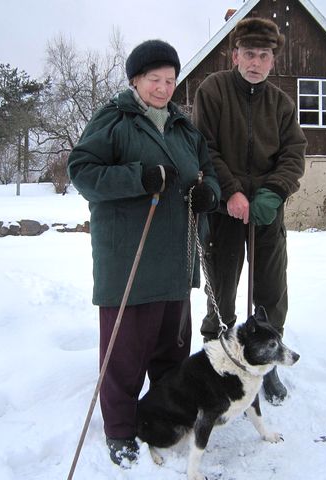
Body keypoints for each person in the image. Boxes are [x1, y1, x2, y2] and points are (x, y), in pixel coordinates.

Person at [67, 39, 220, 467]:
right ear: (136, 79)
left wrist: (210, 193)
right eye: (154, 79)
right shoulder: (114, 120)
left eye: (170, 80)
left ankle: (164, 416)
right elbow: (82, 172)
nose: (163, 87)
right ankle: (118, 429)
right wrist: (140, 176)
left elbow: (208, 173)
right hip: (129, 262)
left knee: (172, 353)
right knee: (125, 355)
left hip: (176, 259)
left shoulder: (184, 128)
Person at [192, 18, 307, 404]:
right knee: (221, 290)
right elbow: (205, 146)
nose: (255, 62)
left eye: (263, 55)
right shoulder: (213, 91)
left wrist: (274, 192)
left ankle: (267, 362)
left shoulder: (281, 103)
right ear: (235, 54)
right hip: (225, 214)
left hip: (267, 214)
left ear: (272, 60)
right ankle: (216, 362)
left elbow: (294, 153)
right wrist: (231, 192)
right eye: (248, 54)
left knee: (271, 291)